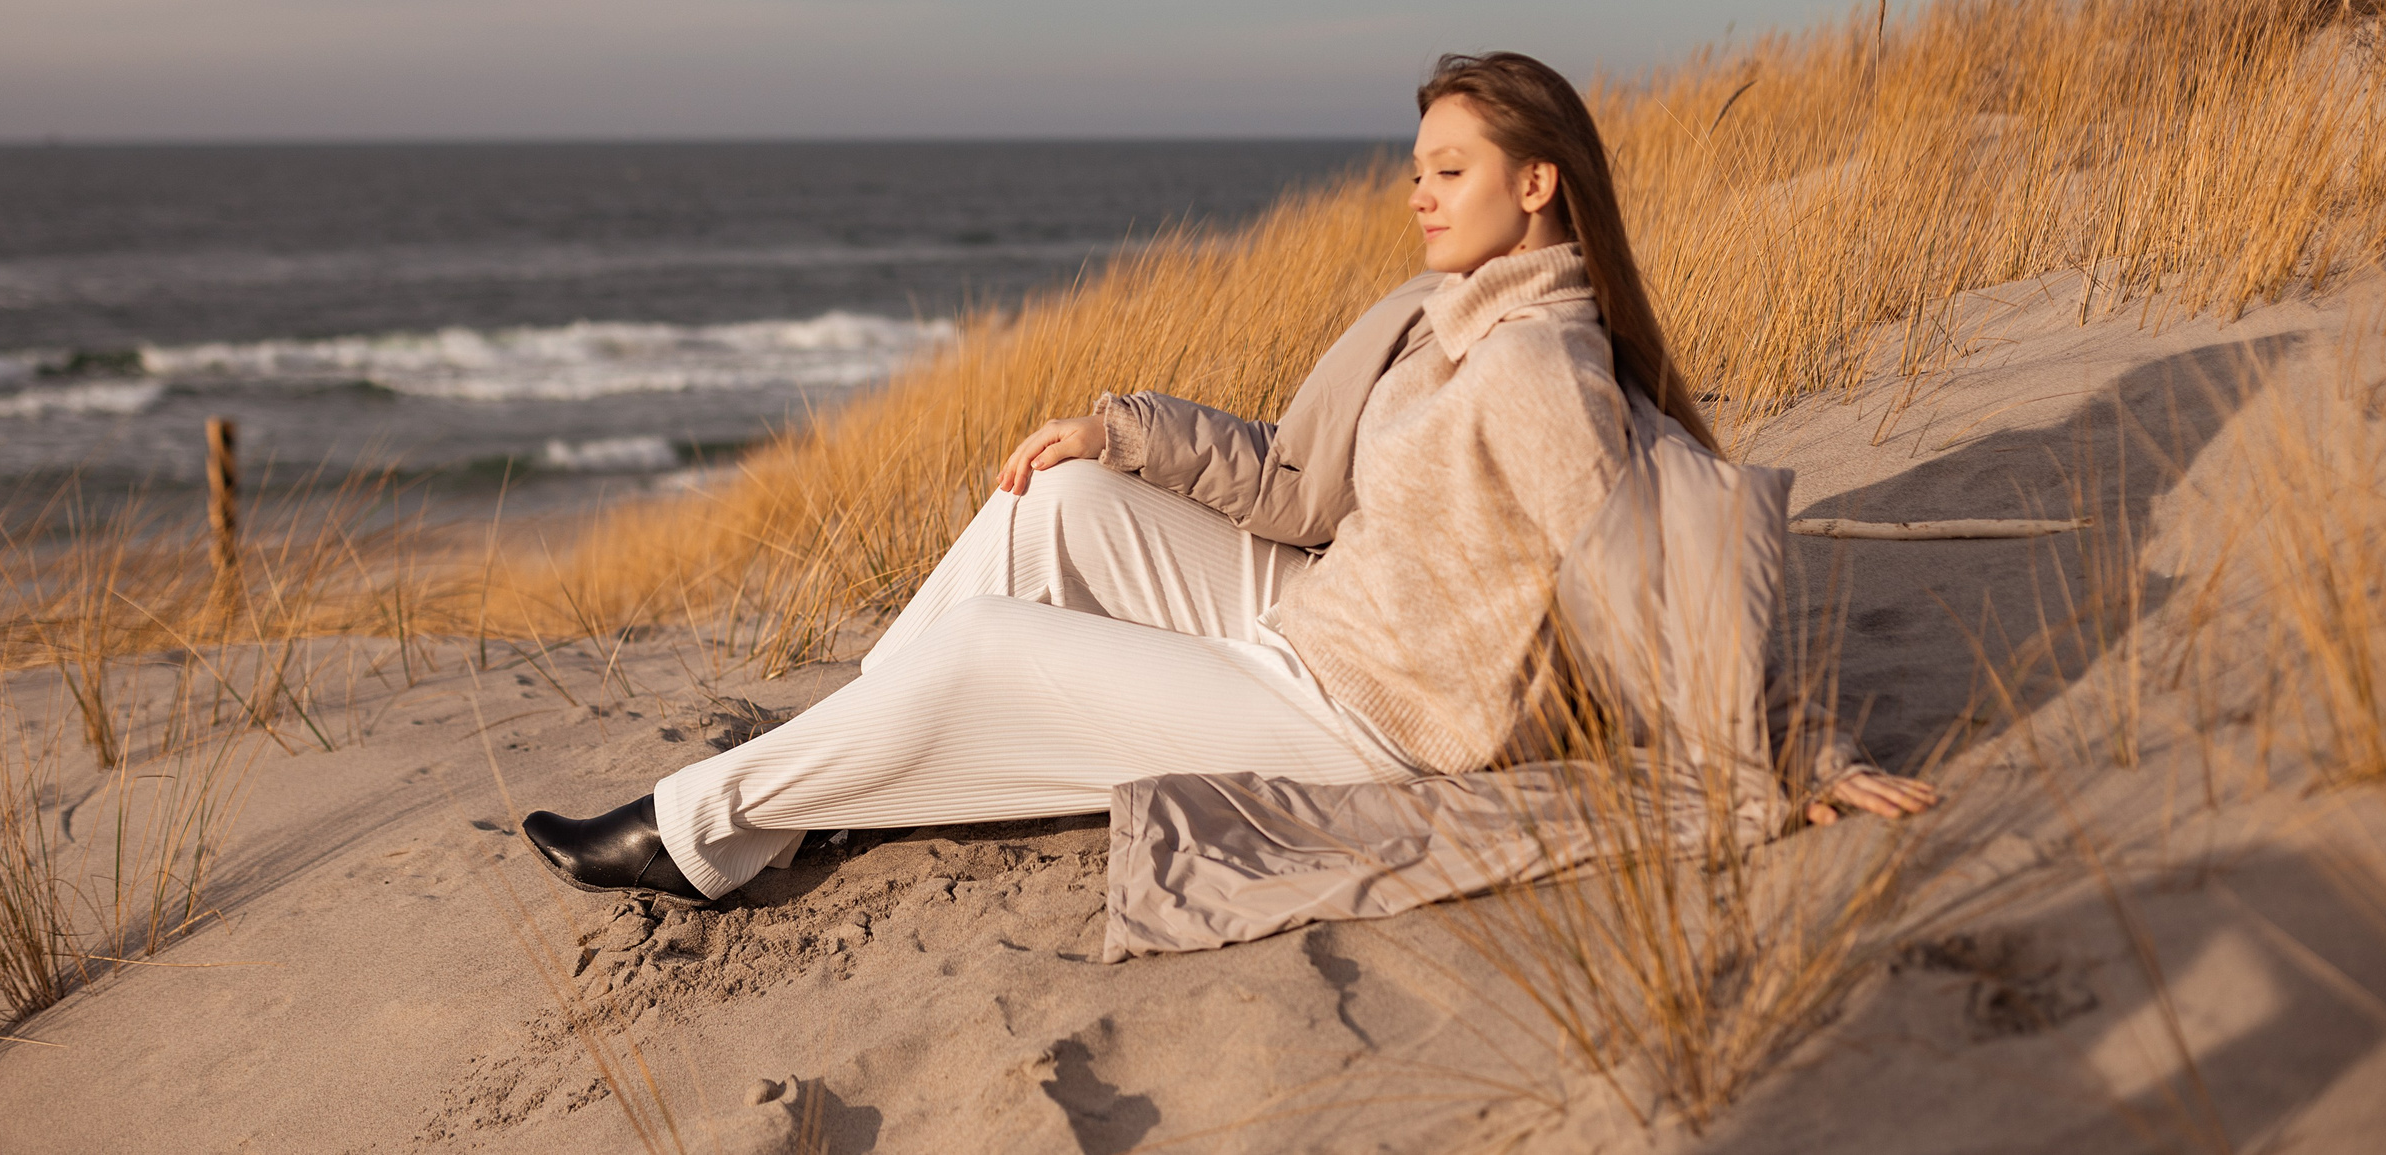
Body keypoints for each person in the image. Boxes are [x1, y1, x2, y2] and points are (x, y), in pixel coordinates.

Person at [521, 52, 1936, 907]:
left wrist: (1786, 763)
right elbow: (1298, 485)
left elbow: (1639, 581)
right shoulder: (1435, 325)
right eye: (1418, 167)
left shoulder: (1536, 368)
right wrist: (1118, 432)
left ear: (1542, 185)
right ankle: (841, 761)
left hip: (1364, 717)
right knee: (1056, 507)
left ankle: (698, 832)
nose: (1419, 192)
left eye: (1451, 169)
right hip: (1312, 612)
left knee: (987, 654)